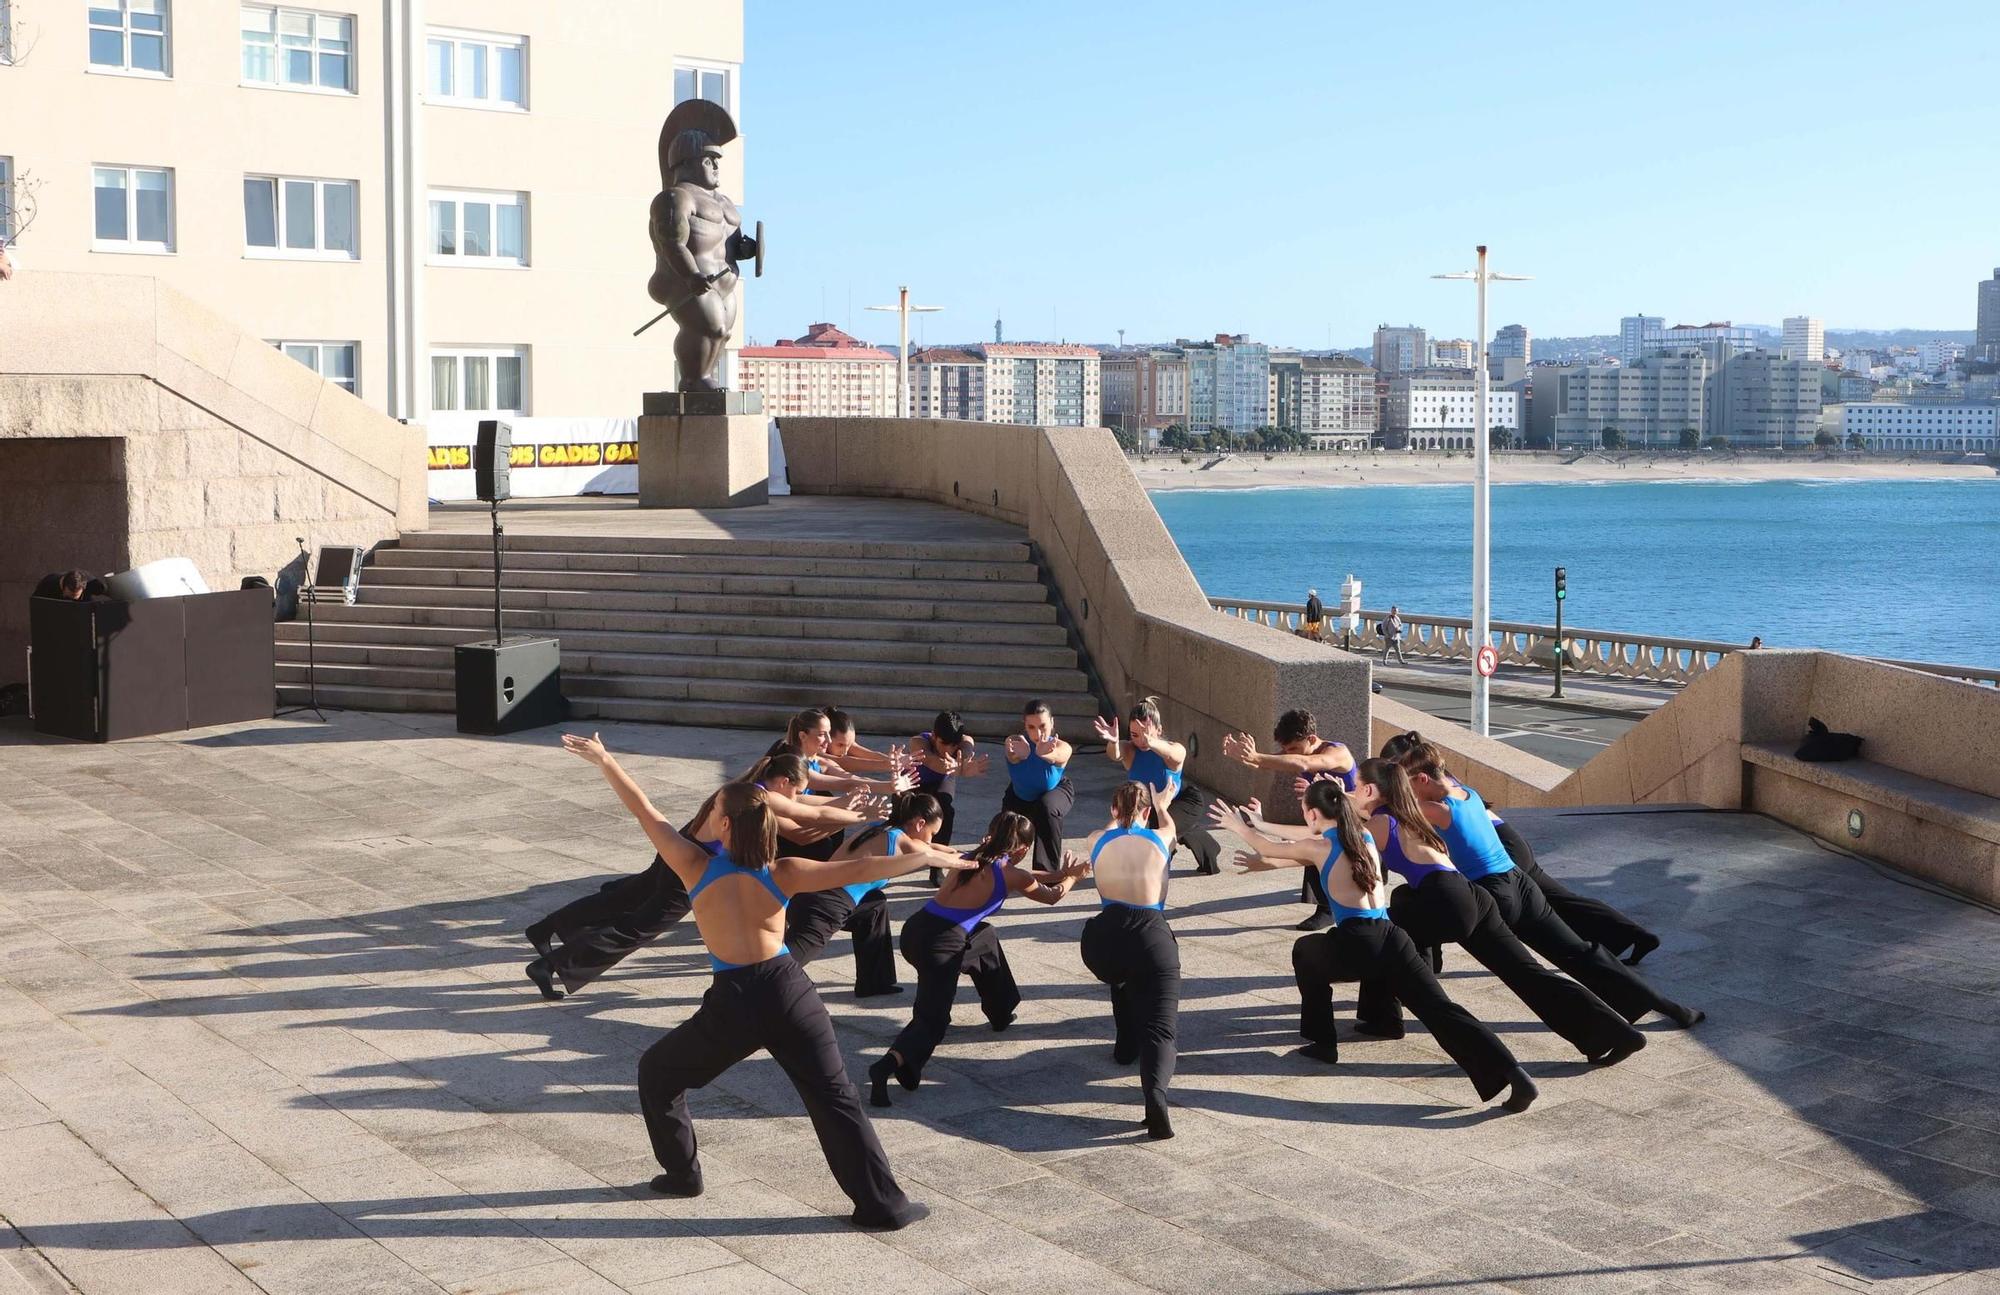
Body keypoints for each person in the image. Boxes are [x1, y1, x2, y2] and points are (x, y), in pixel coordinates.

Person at [561, 732, 953, 1230]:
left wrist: (605, 758)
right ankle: (884, 1206)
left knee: (658, 1074)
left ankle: (682, 1173)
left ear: (723, 824)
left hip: (736, 1001)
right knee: (835, 1099)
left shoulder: (693, 864)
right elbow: (866, 866)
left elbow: (645, 811)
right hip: (790, 990)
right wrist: (931, 856)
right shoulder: (783, 870)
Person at [1220, 779, 1538, 1113]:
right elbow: (1303, 849)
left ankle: (1323, 1042)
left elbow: (1272, 847)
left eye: (1306, 814)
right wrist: (1264, 849)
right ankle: (1514, 1074)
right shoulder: (1365, 835)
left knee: (1305, 951)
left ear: (1313, 814)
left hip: (1356, 941)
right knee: (1442, 1011)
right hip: (1392, 936)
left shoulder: (1320, 846)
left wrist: (1238, 826)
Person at [1346, 759, 1645, 1066]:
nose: (1352, 792)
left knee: (1383, 934)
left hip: (1449, 906)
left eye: (1355, 787)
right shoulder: (1416, 809)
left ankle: (1387, 1016)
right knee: (1527, 973)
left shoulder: (1381, 823)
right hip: (1474, 898)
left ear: (1369, 789)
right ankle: (1617, 1032)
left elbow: (1339, 845)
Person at [1391, 737, 1703, 1029]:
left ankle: (1404, 997)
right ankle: (1670, 1007)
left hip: (1493, 895)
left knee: (1523, 971)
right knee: (1581, 952)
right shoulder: (1468, 793)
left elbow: (1388, 810)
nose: (1409, 794)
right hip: (1521, 884)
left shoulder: (1434, 807)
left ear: (1422, 780)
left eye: (1409, 786)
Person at [523, 754, 886, 1000]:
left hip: (681, 854)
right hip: (690, 871)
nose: (799, 794)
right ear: (780, 781)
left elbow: (810, 810)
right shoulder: (759, 798)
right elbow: (809, 818)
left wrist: (859, 808)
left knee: (626, 899)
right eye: (795, 787)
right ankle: (550, 965)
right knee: (636, 927)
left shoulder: (746, 790)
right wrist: (861, 815)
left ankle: (547, 931)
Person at [1378, 730, 1661, 965]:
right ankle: (1631, 935)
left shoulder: (1429, 786)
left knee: (1553, 906)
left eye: (1391, 766)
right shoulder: (1439, 776)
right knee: (1561, 899)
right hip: (1506, 838)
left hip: (1503, 846)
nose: (1391, 776)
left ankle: (1618, 943)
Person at [867, 812, 1090, 1107]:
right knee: (933, 1019)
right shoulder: (1009, 872)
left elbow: (1026, 878)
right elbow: (1051, 897)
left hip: (918, 929)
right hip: (941, 944)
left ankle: (1000, 1008)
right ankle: (888, 1066)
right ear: (1023, 849)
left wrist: (1059, 874)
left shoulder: (975, 855)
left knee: (984, 937)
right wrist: (1073, 877)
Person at [1079, 782, 1183, 1139]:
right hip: (1149, 932)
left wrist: (1119, 817)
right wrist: (1162, 804)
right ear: (1147, 812)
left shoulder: (1096, 839)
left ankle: (1125, 1045)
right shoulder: (1162, 836)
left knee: (1123, 977)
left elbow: (1111, 829)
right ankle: (1154, 1094)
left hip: (1104, 938)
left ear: (1112, 809)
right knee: (1160, 1027)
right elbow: (1167, 824)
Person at [785, 792, 964, 997]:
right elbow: (930, 854)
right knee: (783, 966)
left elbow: (931, 847)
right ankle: (746, 991)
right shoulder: (902, 842)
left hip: (811, 894)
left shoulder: (878, 829)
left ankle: (874, 982)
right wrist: (971, 860)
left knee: (875, 905)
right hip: (825, 906)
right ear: (920, 823)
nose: (932, 838)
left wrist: (964, 852)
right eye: (932, 832)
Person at [1222, 711, 1354, 930]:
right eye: (1285, 749)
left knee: (1312, 847)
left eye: (1292, 748)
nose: (1287, 754)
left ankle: (1327, 908)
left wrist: (1258, 758)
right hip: (1326, 821)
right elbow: (1275, 762)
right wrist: (1246, 756)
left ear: (1312, 739)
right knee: (1307, 846)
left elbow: (1304, 763)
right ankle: (1324, 903)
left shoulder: (1337, 753)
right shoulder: (1299, 754)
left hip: (1354, 821)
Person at [908, 710, 987, 884]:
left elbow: (967, 747)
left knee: (946, 810)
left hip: (941, 781)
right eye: (944, 743)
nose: (949, 749)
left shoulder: (963, 742)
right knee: (902, 816)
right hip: (913, 782)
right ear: (934, 736)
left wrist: (964, 760)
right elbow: (933, 763)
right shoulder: (918, 742)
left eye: (954, 745)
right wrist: (960, 769)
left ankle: (936, 867)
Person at [1001, 699, 1076, 872]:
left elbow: (1059, 755)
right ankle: (1000, 869)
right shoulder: (1016, 742)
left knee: (1047, 806)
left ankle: (1046, 873)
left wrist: (1045, 754)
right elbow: (1010, 753)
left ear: (1052, 722)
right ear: (1025, 726)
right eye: (1031, 727)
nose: (1038, 733)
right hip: (1020, 796)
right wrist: (1017, 755)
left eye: (1043, 726)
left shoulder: (1061, 746)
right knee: (1006, 837)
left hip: (1055, 791)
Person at [1092, 696, 1188, 817]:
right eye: (1135, 735)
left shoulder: (1172, 749)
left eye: (1146, 734)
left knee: (1158, 823)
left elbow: (1175, 754)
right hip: (1147, 805)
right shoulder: (1131, 750)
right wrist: (1113, 742)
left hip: (1179, 802)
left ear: (1159, 730)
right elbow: (1115, 754)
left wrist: (1151, 742)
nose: (1141, 740)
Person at [32, 570, 108, 600]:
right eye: (69, 596)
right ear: (63, 586)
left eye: (76, 598)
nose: (72, 600)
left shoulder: (91, 582)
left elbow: (106, 590)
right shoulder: (47, 584)